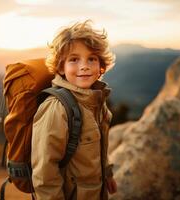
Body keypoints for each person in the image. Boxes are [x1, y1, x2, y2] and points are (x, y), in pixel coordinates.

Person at [31, 20, 117, 200]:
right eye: (74, 59)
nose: (84, 66)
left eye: (91, 59)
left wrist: (107, 173)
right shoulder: (57, 108)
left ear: (101, 65)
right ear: (61, 67)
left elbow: (98, 147)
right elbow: (44, 174)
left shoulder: (96, 100)